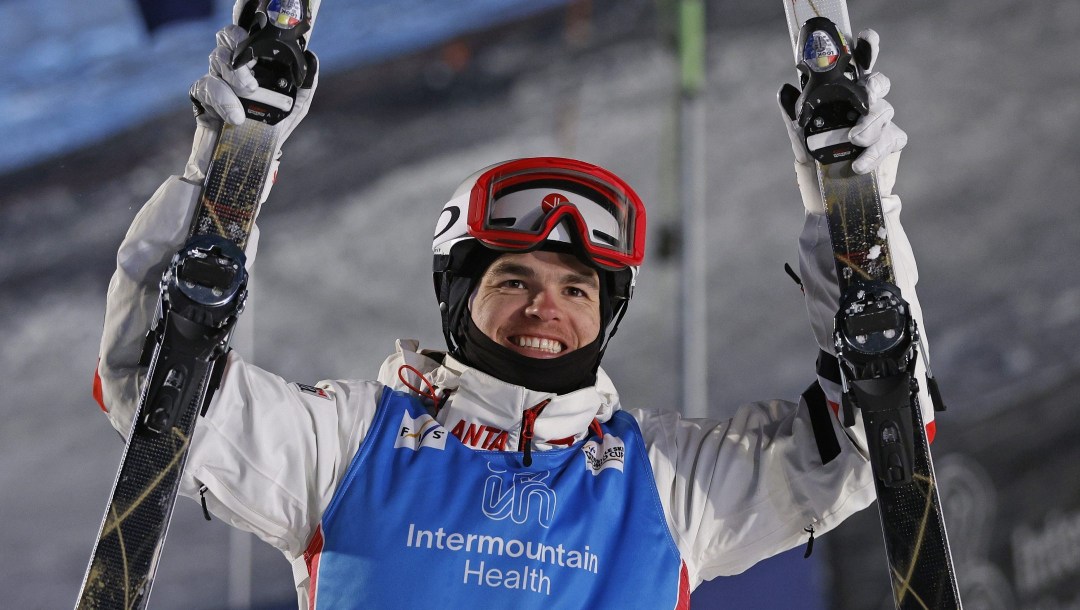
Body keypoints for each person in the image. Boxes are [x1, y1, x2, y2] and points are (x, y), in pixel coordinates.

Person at [94, 13, 927, 610]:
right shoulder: (350, 446)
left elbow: (867, 452)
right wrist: (227, 170)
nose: (546, 308)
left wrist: (853, 218)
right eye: (513, 279)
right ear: (458, 297)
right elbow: (151, 384)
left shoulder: (666, 484)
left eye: (577, 288)